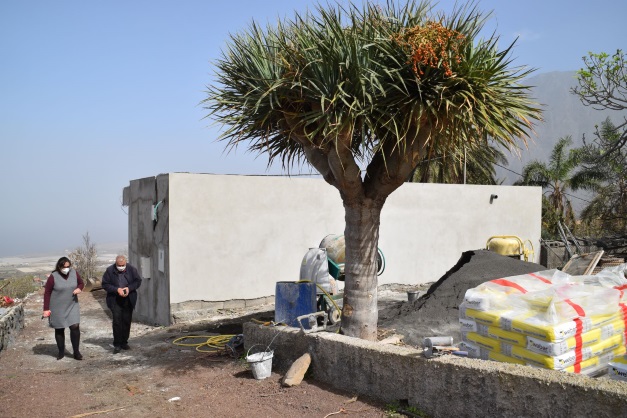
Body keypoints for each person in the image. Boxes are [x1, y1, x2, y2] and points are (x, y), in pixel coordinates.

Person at [42, 256, 84, 360]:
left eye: (68, 266)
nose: (67, 268)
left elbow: (81, 283)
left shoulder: (74, 273)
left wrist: (79, 288)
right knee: (60, 328)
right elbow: (47, 293)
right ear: (59, 267)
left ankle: (76, 352)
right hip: (57, 307)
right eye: (64, 267)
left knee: (75, 326)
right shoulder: (53, 276)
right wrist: (46, 309)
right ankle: (61, 352)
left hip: (72, 304)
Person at [101, 255, 142, 354]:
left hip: (128, 299)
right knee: (117, 321)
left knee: (126, 321)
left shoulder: (132, 269)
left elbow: (138, 281)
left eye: (123, 265)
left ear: (125, 263)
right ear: (116, 263)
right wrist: (116, 289)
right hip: (115, 300)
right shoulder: (109, 270)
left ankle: (124, 342)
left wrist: (129, 288)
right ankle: (117, 344)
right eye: (119, 265)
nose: (121, 267)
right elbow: (105, 284)